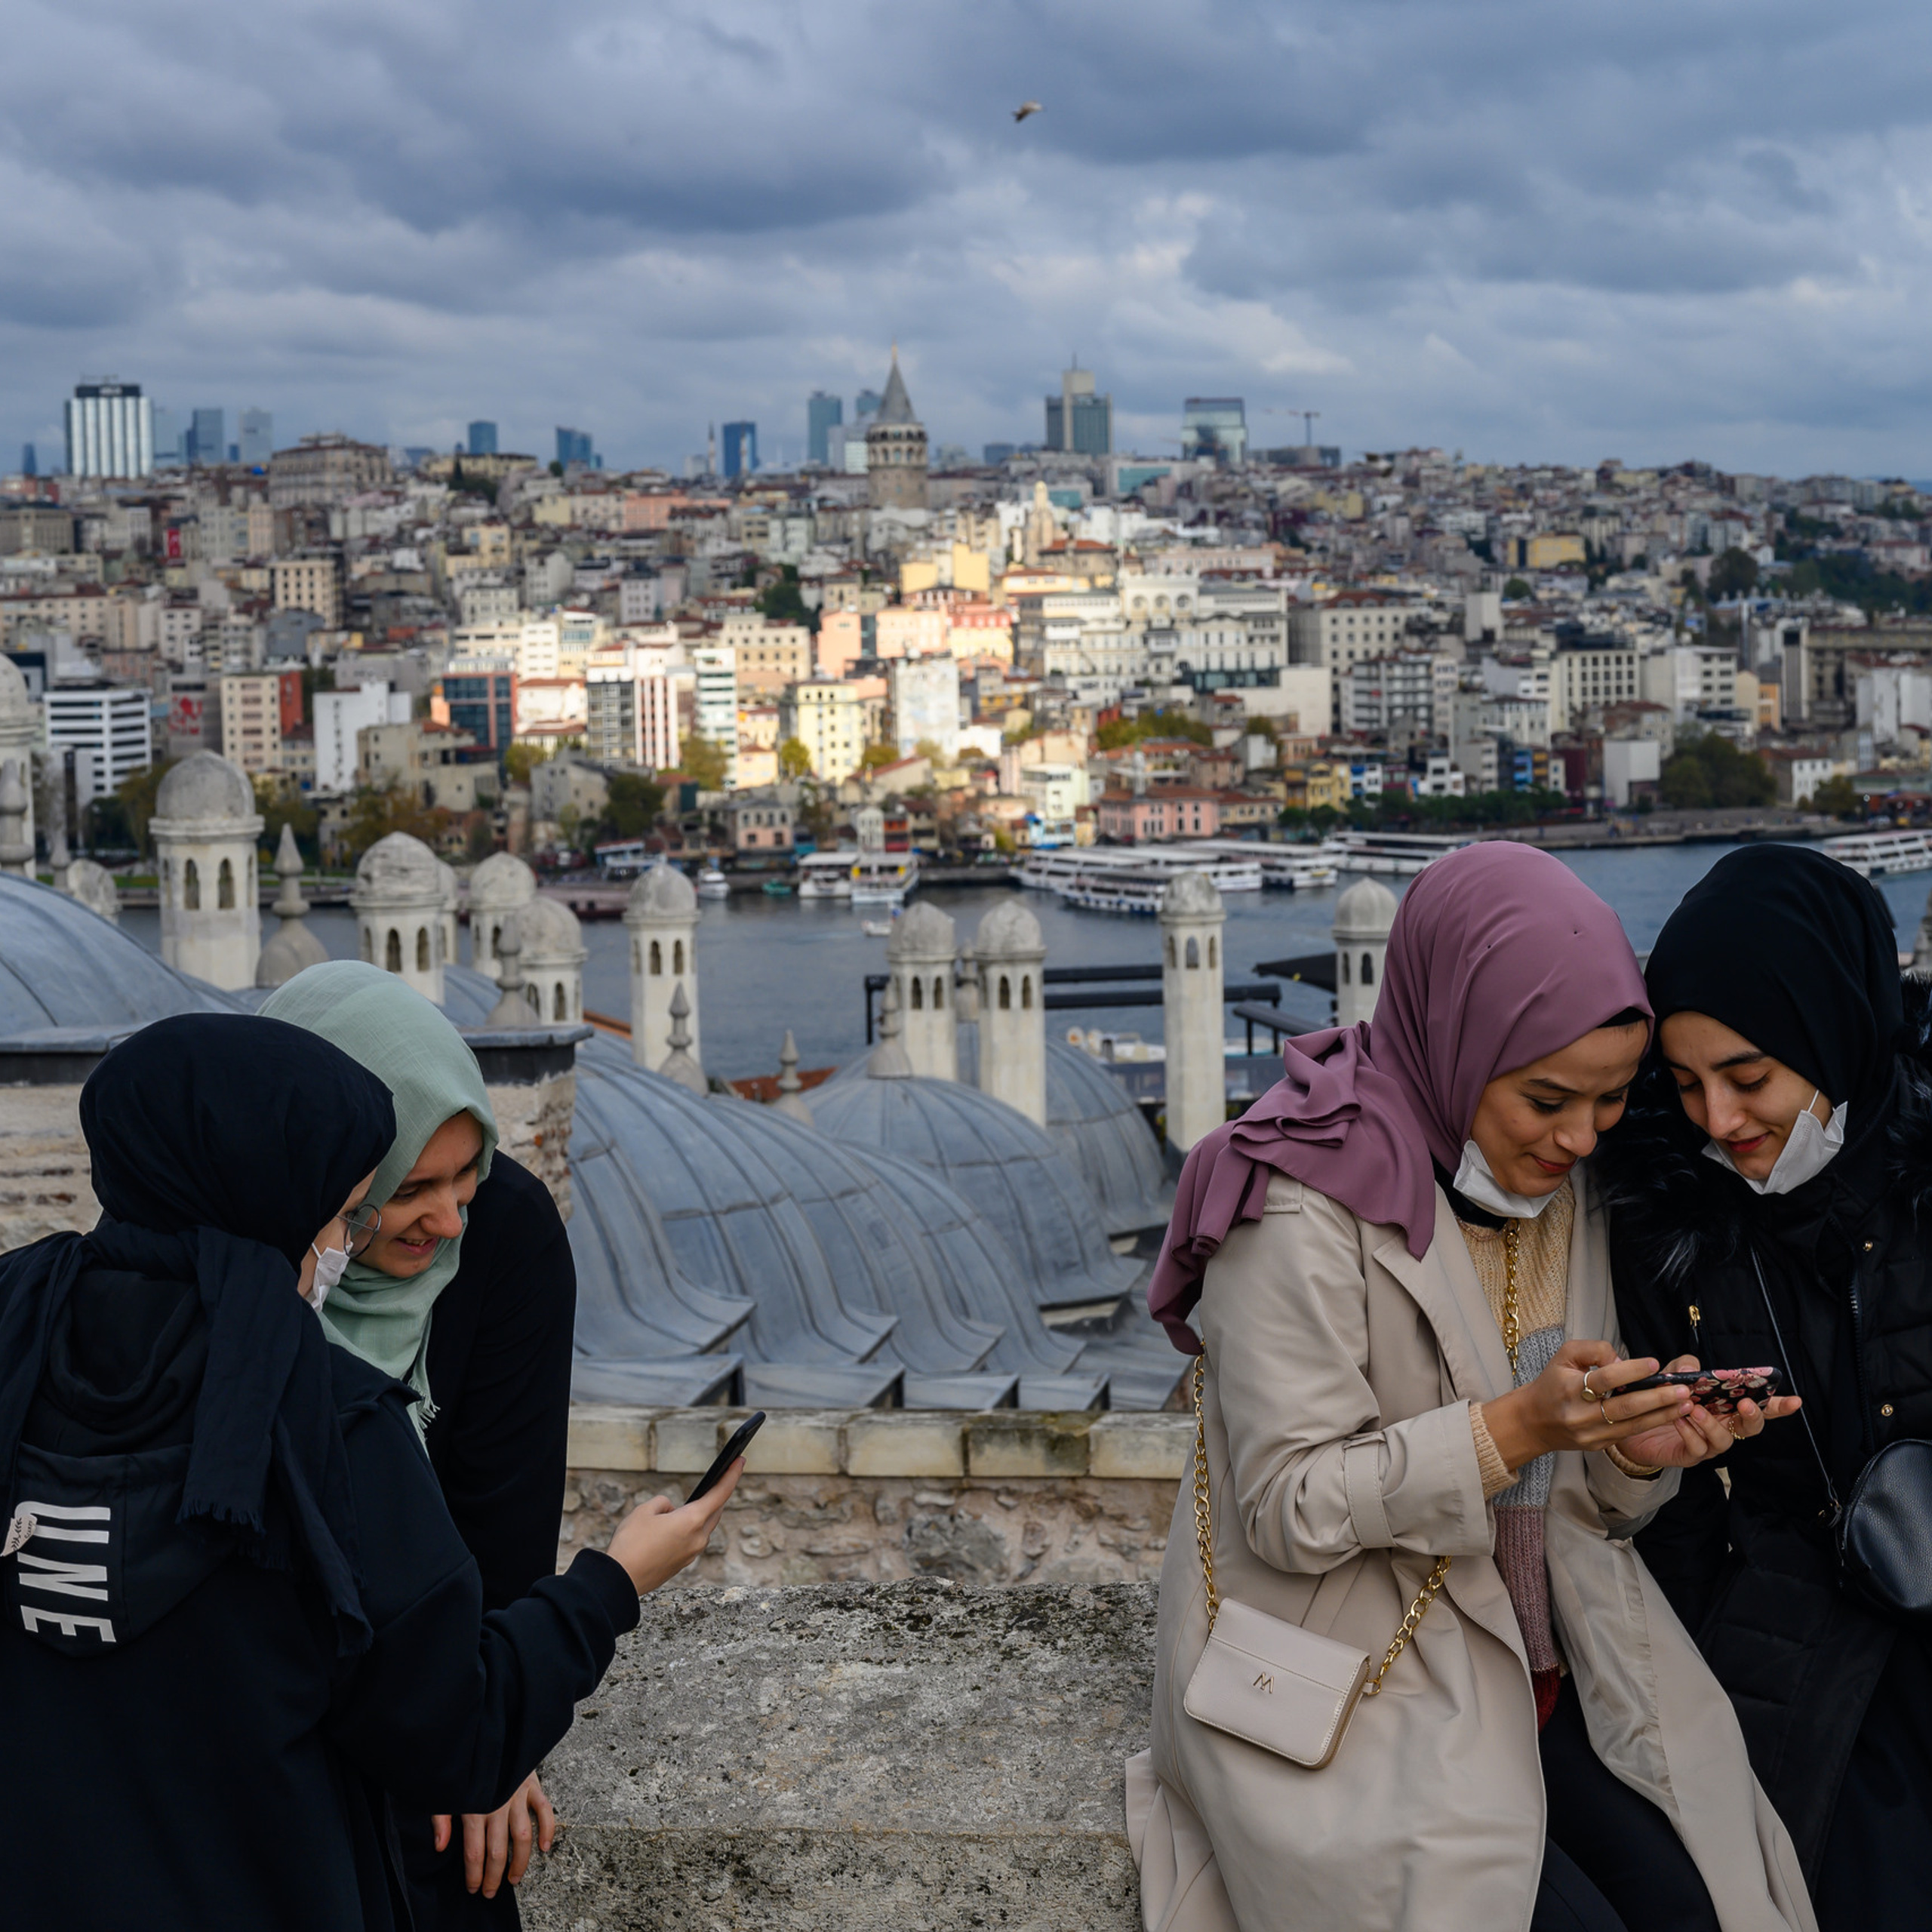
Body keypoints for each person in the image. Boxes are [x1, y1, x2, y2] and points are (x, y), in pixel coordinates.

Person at [1128, 844, 1814, 1932]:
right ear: (1457, 1039)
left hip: (1541, 1675)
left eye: (1609, 1102)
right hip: (1371, 1691)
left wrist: (1638, 1452)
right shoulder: (1295, 1201)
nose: (1580, 1137)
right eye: (1547, 1098)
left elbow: (1580, 1506)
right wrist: (1509, 1428)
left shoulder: (1565, 1186)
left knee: (1702, 1905)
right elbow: (1285, 1506)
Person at [0, 1014, 740, 1931]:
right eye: (342, 1210)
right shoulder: (329, 1424)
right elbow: (454, 1731)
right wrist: (614, 1581)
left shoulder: (18, 1341)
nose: (341, 1245)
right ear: (267, 1199)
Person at [1598, 844, 1932, 1930]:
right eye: (1688, 1084)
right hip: (1805, 1673)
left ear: (1833, 1034)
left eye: (1749, 1079)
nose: (1717, 1121)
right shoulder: (1672, 1229)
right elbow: (1676, 1532)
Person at [263, 959, 577, 1921]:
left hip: (423, 1674)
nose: (448, 1220)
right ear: (329, 1168)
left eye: (466, 1174)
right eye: (410, 1188)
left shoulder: (505, 1234)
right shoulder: (247, 1241)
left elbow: (503, 1515)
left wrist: (487, 1735)